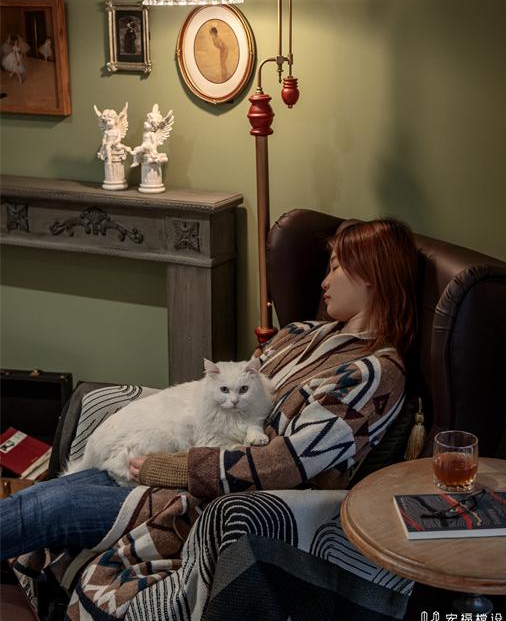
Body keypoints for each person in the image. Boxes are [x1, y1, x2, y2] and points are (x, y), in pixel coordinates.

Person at [0, 218, 417, 562]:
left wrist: (173, 468)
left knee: (47, 509)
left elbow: (293, 462)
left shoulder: (373, 374)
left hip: (209, 498)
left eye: (337, 267)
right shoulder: (299, 333)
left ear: (372, 274)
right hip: (169, 460)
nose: (325, 280)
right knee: (35, 498)